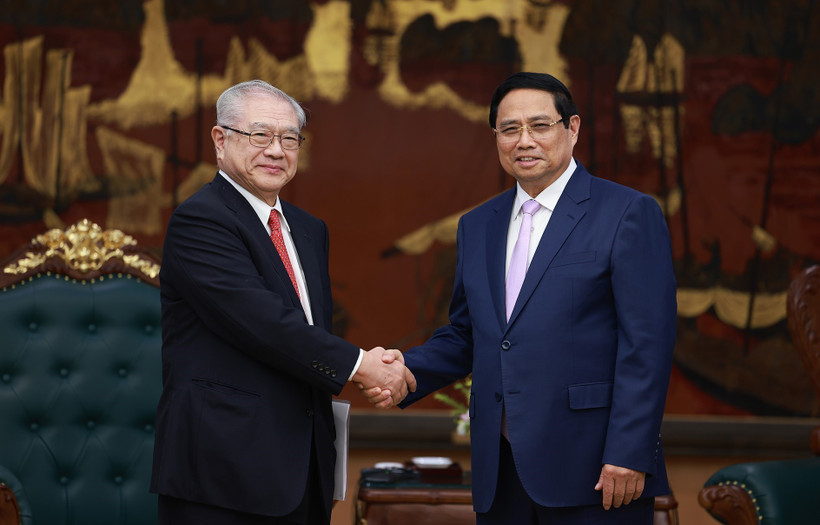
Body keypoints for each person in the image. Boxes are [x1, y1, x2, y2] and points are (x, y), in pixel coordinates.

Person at [365, 72, 677, 524]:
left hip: (597, 469)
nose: (524, 141)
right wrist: (405, 373)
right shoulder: (478, 224)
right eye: (510, 129)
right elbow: (470, 334)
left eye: (540, 126)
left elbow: (647, 344)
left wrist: (629, 452)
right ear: (497, 138)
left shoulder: (627, 212)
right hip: (500, 470)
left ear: (572, 129)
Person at [150, 79, 414, 525]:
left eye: (289, 138)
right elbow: (263, 323)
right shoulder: (201, 219)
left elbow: (309, 336)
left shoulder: (309, 230)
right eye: (260, 136)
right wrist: (363, 366)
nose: (276, 150)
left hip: (304, 467)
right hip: (223, 472)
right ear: (220, 139)